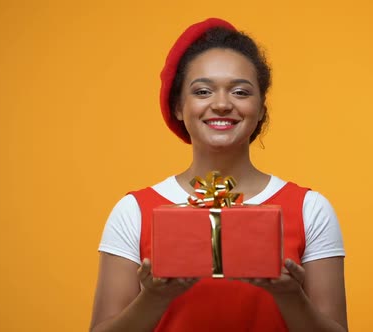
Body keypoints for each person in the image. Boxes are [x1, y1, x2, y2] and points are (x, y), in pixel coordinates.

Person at [90, 18, 348, 332]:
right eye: (202, 91)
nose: (222, 104)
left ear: (261, 108)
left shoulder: (310, 209)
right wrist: (155, 297)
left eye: (240, 92)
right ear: (178, 107)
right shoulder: (134, 212)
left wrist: (290, 297)